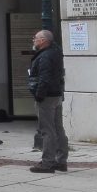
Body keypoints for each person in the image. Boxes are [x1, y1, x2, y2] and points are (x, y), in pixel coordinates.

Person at [29, 30, 67, 173]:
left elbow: (44, 78)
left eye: (36, 38)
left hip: (47, 97)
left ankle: (48, 163)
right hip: (56, 94)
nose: (34, 40)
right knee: (58, 128)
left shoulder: (45, 56)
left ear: (44, 40)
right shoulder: (55, 52)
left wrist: (39, 95)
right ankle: (61, 160)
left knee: (47, 130)